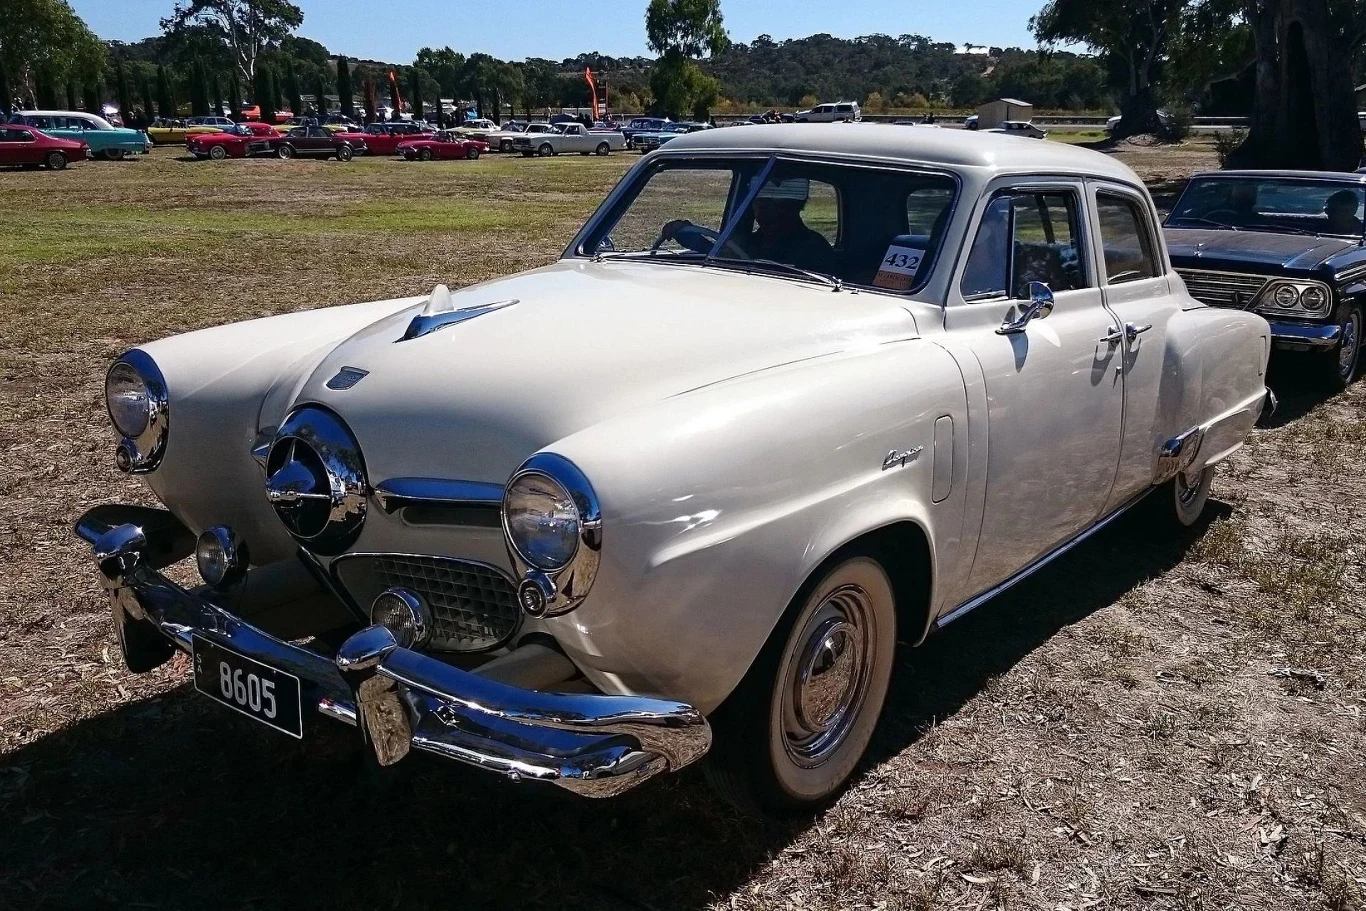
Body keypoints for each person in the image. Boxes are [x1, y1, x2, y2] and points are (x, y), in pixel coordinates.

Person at [661, 177, 836, 274]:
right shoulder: (749, 241)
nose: (771, 213)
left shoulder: (814, 248)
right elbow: (725, 258)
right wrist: (692, 238)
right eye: (763, 205)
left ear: (798, 207)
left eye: (782, 207)